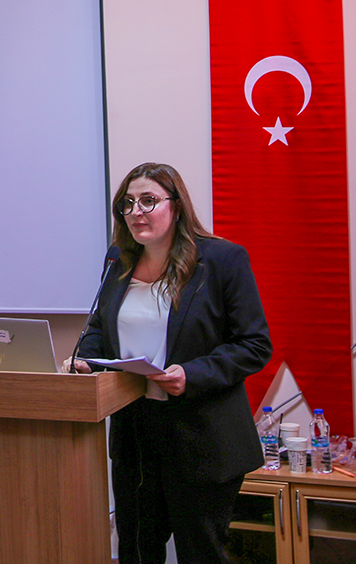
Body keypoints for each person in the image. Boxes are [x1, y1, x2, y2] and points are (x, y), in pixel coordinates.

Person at [64, 162, 272, 564]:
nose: (136, 212)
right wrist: (85, 360)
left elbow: (254, 345)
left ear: (176, 206)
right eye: (127, 204)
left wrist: (191, 374)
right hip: (135, 433)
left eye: (148, 201)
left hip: (202, 436)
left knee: (200, 553)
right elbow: (99, 328)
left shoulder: (222, 260)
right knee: (137, 550)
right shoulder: (118, 262)